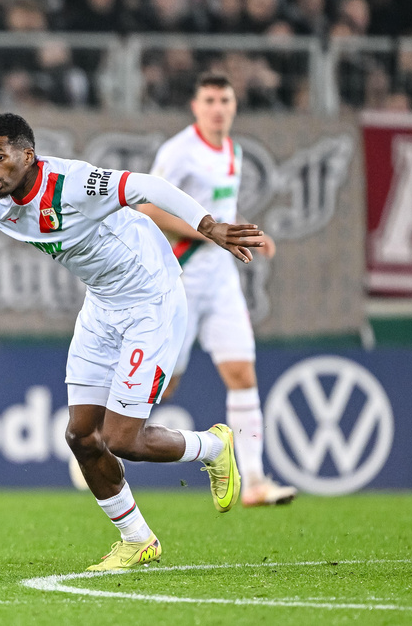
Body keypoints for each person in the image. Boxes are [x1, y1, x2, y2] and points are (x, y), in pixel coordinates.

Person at [0, 112, 262, 571]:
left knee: (122, 439)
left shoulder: (74, 183)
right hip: (102, 304)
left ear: (28, 156)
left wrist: (208, 225)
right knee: (81, 435)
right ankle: (137, 538)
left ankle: (212, 446)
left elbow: (147, 186)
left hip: (152, 298)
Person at [137, 73, 298, 508]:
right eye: (209, 99)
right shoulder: (178, 151)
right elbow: (149, 207)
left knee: (242, 373)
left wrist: (248, 233)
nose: (218, 107)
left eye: (225, 99)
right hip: (183, 276)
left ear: (234, 105)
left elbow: (221, 211)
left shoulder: (233, 150)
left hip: (222, 279)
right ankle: (97, 438)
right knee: (165, 383)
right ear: (195, 106)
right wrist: (211, 233)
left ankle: (257, 482)